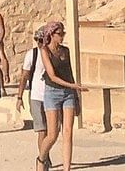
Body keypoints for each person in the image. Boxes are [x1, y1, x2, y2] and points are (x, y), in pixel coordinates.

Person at [38, 20, 88, 171]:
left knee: (68, 131)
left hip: (67, 93)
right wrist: (73, 86)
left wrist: (75, 94)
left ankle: (67, 168)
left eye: (63, 33)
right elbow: (52, 76)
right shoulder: (44, 51)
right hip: (52, 92)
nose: (62, 36)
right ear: (51, 35)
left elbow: (69, 73)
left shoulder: (65, 51)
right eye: (59, 34)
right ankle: (41, 158)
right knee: (52, 134)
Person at [16, 25, 50, 161]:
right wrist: (19, 97)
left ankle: (45, 155)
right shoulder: (32, 54)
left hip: (51, 96)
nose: (40, 43)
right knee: (42, 130)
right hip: (36, 96)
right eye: (38, 40)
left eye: (42, 40)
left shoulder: (54, 54)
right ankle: (43, 158)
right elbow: (24, 76)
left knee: (51, 131)